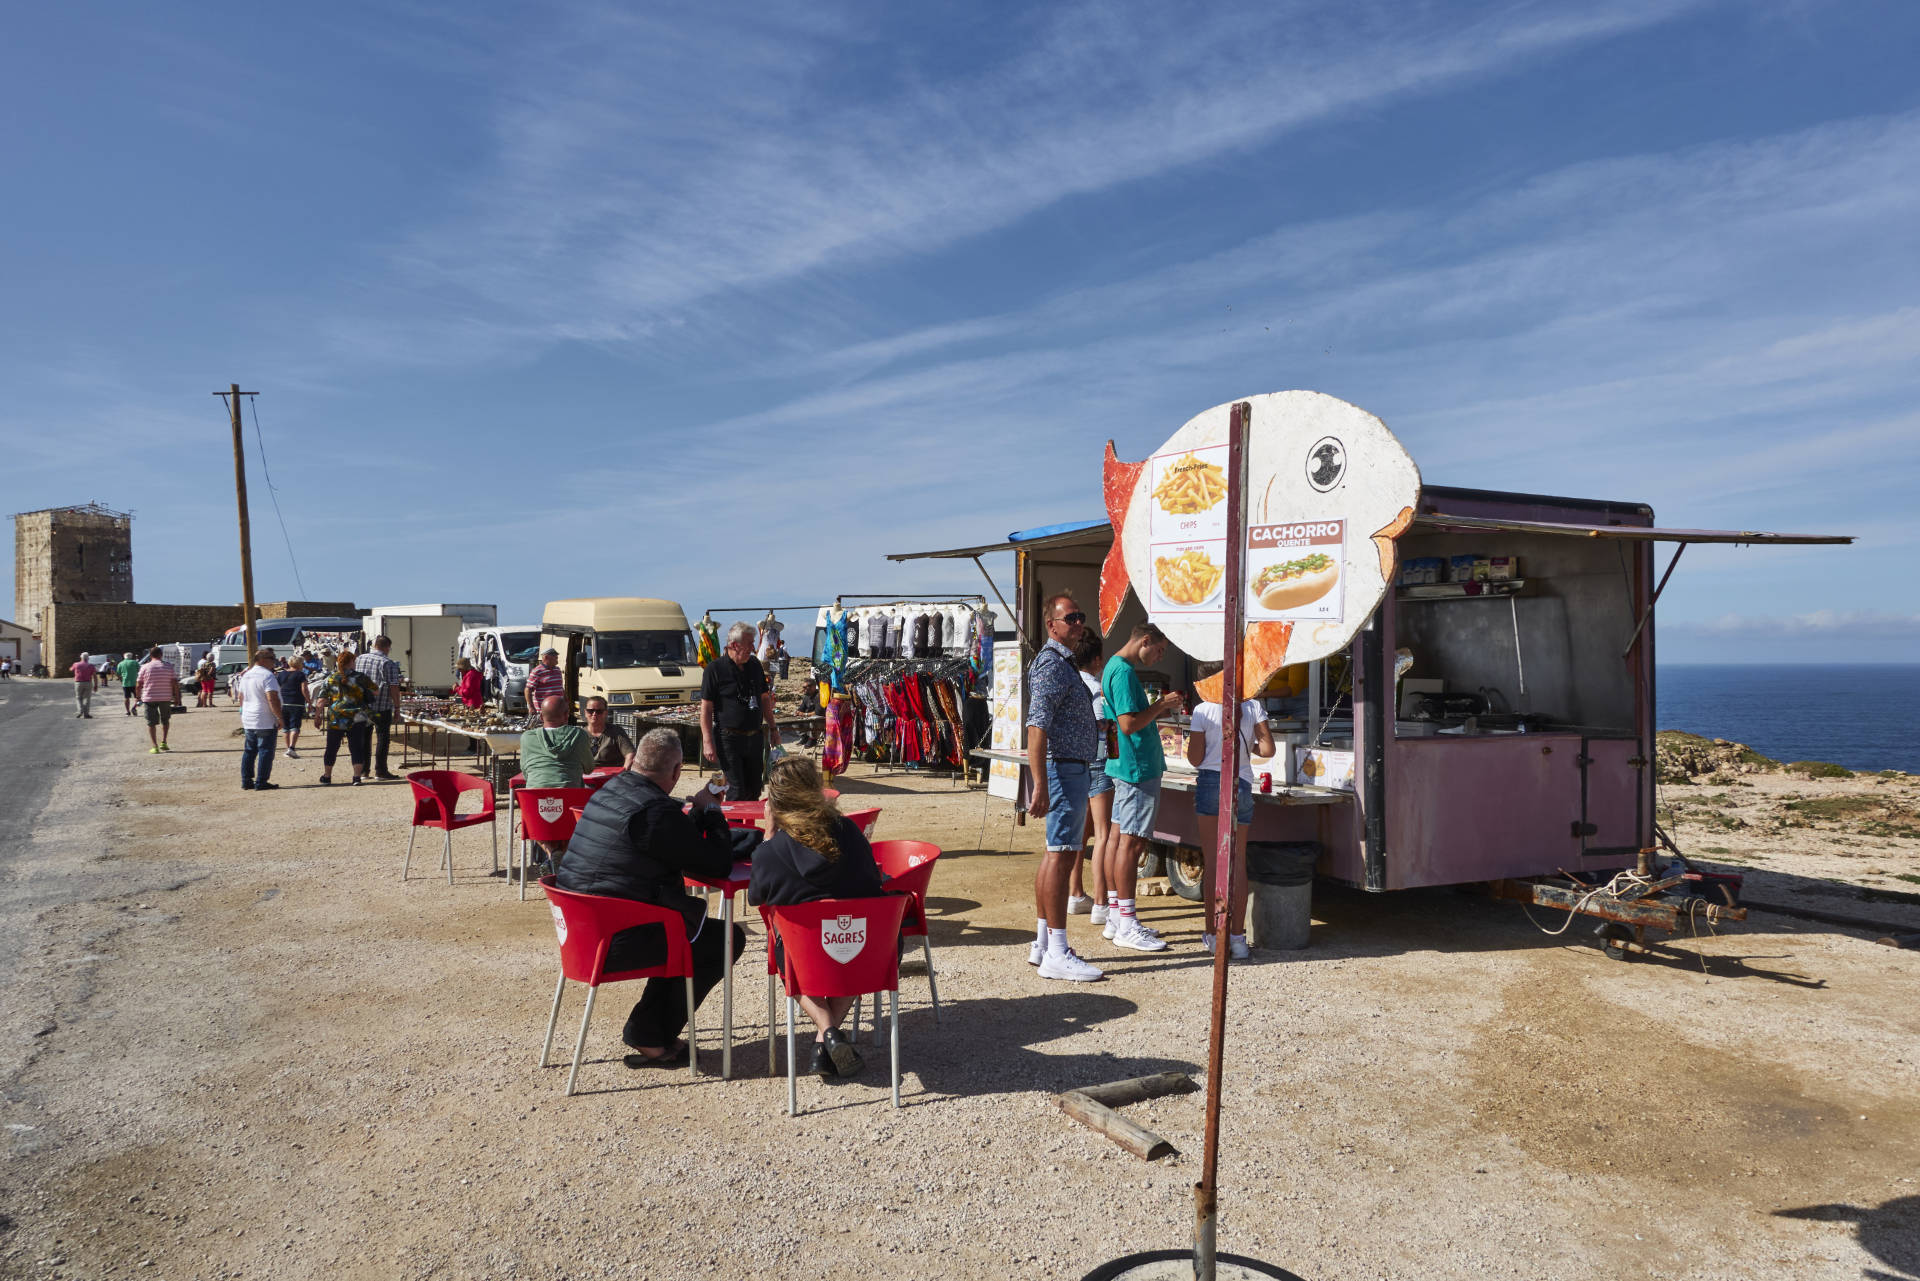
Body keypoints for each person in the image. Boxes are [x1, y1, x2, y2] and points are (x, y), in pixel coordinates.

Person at [556, 727, 745, 1068]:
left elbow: (672, 838)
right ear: (675, 772)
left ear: (637, 761)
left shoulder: (613, 789)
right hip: (613, 939)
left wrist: (697, 811)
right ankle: (650, 1037)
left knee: (691, 932)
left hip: (577, 930)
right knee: (724, 939)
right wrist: (713, 811)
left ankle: (650, 1031)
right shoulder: (654, 812)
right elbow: (716, 862)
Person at [748, 756, 886, 1080]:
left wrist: (768, 836)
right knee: (857, 944)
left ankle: (826, 1031)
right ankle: (828, 1038)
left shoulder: (774, 849)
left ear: (776, 800)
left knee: (788, 957)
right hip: (862, 951)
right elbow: (873, 884)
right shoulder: (850, 832)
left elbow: (756, 897)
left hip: (803, 959)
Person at [1022, 595, 1103, 982]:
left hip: (1069, 768)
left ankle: (1043, 943)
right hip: (1063, 770)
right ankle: (1057, 949)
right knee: (1062, 856)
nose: (1078, 623)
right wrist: (1040, 783)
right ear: (1052, 625)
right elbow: (1036, 726)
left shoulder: (1063, 663)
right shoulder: (1052, 665)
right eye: (1070, 617)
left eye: (1080, 616)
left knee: (1057, 854)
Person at [1101, 621, 1185, 952]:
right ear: (1145, 641)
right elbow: (1128, 723)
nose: (1160, 656)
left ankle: (1117, 916)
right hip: (1136, 767)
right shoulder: (1122, 672)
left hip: (1129, 765)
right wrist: (1162, 706)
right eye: (1160, 649)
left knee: (1120, 840)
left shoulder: (1116, 666)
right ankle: (1126, 922)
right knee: (1131, 845)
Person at [1187, 662, 1277, 960]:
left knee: (1214, 862)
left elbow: (1195, 759)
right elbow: (1267, 750)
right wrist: (1245, 744)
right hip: (1242, 783)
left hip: (1212, 783)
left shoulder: (1202, 710)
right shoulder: (1252, 706)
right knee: (1237, 863)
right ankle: (1237, 939)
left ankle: (1215, 935)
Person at [699, 622, 781, 801]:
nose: (753, 648)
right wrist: (707, 741)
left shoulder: (754, 665)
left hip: (755, 736)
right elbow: (706, 708)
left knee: (754, 788)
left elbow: (765, 699)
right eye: (750, 643)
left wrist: (773, 729)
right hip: (728, 738)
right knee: (736, 789)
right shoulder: (714, 669)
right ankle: (735, 828)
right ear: (735, 645)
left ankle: (748, 828)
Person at [1067, 633, 1112, 922]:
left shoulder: (1069, 684)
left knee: (1079, 834)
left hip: (1075, 762)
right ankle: (1100, 902)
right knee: (1104, 833)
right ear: (1097, 660)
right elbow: (1100, 724)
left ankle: (1075, 894)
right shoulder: (1095, 688)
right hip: (1098, 760)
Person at [315, 651, 378, 785]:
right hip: (357, 717)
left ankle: (327, 776)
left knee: (332, 747)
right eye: (354, 661)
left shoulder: (331, 678)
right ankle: (356, 777)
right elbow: (376, 691)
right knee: (356, 748)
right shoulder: (361, 677)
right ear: (351, 662)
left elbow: (321, 700)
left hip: (336, 717)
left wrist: (317, 716)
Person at [355, 636, 405, 781]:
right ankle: (381, 771)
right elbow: (394, 687)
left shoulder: (360, 659)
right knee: (383, 738)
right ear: (386, 647)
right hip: (381, 705)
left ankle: (364, 770)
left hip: (363, 704)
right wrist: (397, 707)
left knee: (364, 737)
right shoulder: (388, 663)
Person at [236, 648, 285, 792]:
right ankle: (261, 781)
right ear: (263, 659)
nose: (274, 661)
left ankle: (246, 780)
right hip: (264, 718)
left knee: (249, 751)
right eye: (272, 658)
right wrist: (279, 717)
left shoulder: (247, 675)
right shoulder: (267, 676)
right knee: (265, 750)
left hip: (249, 717)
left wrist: (243, 711)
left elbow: (240, 696)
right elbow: (272, 697)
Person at [136, 647, 180, 752]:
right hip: (165, 697)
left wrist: (137, 697)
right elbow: (174, 683)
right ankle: (164, 742)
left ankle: (154, 746)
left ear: (150, 656)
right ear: (161, 655)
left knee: (151, 722)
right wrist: (177, 697)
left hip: (149, 697)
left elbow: (138, 684)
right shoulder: (169, 667)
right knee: (165, 720)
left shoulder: (144, 667)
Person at [583, 696, 635, 768]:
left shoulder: (616, 732)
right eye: (590, 711)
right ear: (585, 712)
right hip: (586, 776)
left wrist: (623, 773)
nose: (594, 714)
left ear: (606, 713)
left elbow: (630, 754)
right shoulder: (579, 734)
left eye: (599, 711)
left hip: (612, 776)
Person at [274, 656, 309, 758]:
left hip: (283, 702)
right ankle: (292, 748)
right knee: (295, 726)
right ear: (299, 664)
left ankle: (288, 748)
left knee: (286, 727)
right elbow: (304, 688)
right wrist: (309, 701)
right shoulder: (301, 674)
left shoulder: (281, 674)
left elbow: (277, 688)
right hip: (296, 702)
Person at [524, 647, 566, 714]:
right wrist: (531, 707)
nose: (557, 659)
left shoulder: (557, 670)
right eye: (555, 657)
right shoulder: (537, 671)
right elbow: (528, 690)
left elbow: (560, 688)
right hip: (544, 710)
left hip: (558, 708)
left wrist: (566, 702)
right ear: (546, 657)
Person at [69, 653, 97, 718]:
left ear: (81, 657)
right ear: (88, 658)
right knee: (87, 698)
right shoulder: (91, 665)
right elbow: (95, 676)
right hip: (88, 683)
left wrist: (73, 668)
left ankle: (80, 711)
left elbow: (71, 669)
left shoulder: (76, 664)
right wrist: (96, 685)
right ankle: (86, 714)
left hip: (78, 683)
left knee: (78, 697)